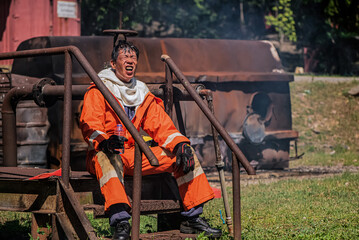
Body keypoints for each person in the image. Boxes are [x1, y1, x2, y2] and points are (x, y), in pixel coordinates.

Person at [80, 40, 222, 240]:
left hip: (135, 155)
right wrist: (105, 142)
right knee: (107, 157)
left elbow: (162, 126)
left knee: (184, 154)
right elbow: (90, 125)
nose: (130, 61)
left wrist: (180, 144)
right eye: (125, 57)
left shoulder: (141, 93)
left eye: (133, 58)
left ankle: (192, 218)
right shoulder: (98, 90)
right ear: (113, 64)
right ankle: (121, 222)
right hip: (105, 154)